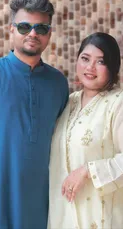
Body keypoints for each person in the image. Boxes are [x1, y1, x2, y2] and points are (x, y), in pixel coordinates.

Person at [0, 0, 69, 229]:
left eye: (40, 28)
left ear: (49, 34)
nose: (32, 33)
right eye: (24, 27)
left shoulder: (58, 84)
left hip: (42, 210)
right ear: (11, 30)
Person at [48, 32, 123, 229]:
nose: (90, 67)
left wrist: (87, 171)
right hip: (62, 216)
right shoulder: (69, 101)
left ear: (113, 67)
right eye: (85, 58)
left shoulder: (118, 103)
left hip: (102, 217)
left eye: (101, 61)